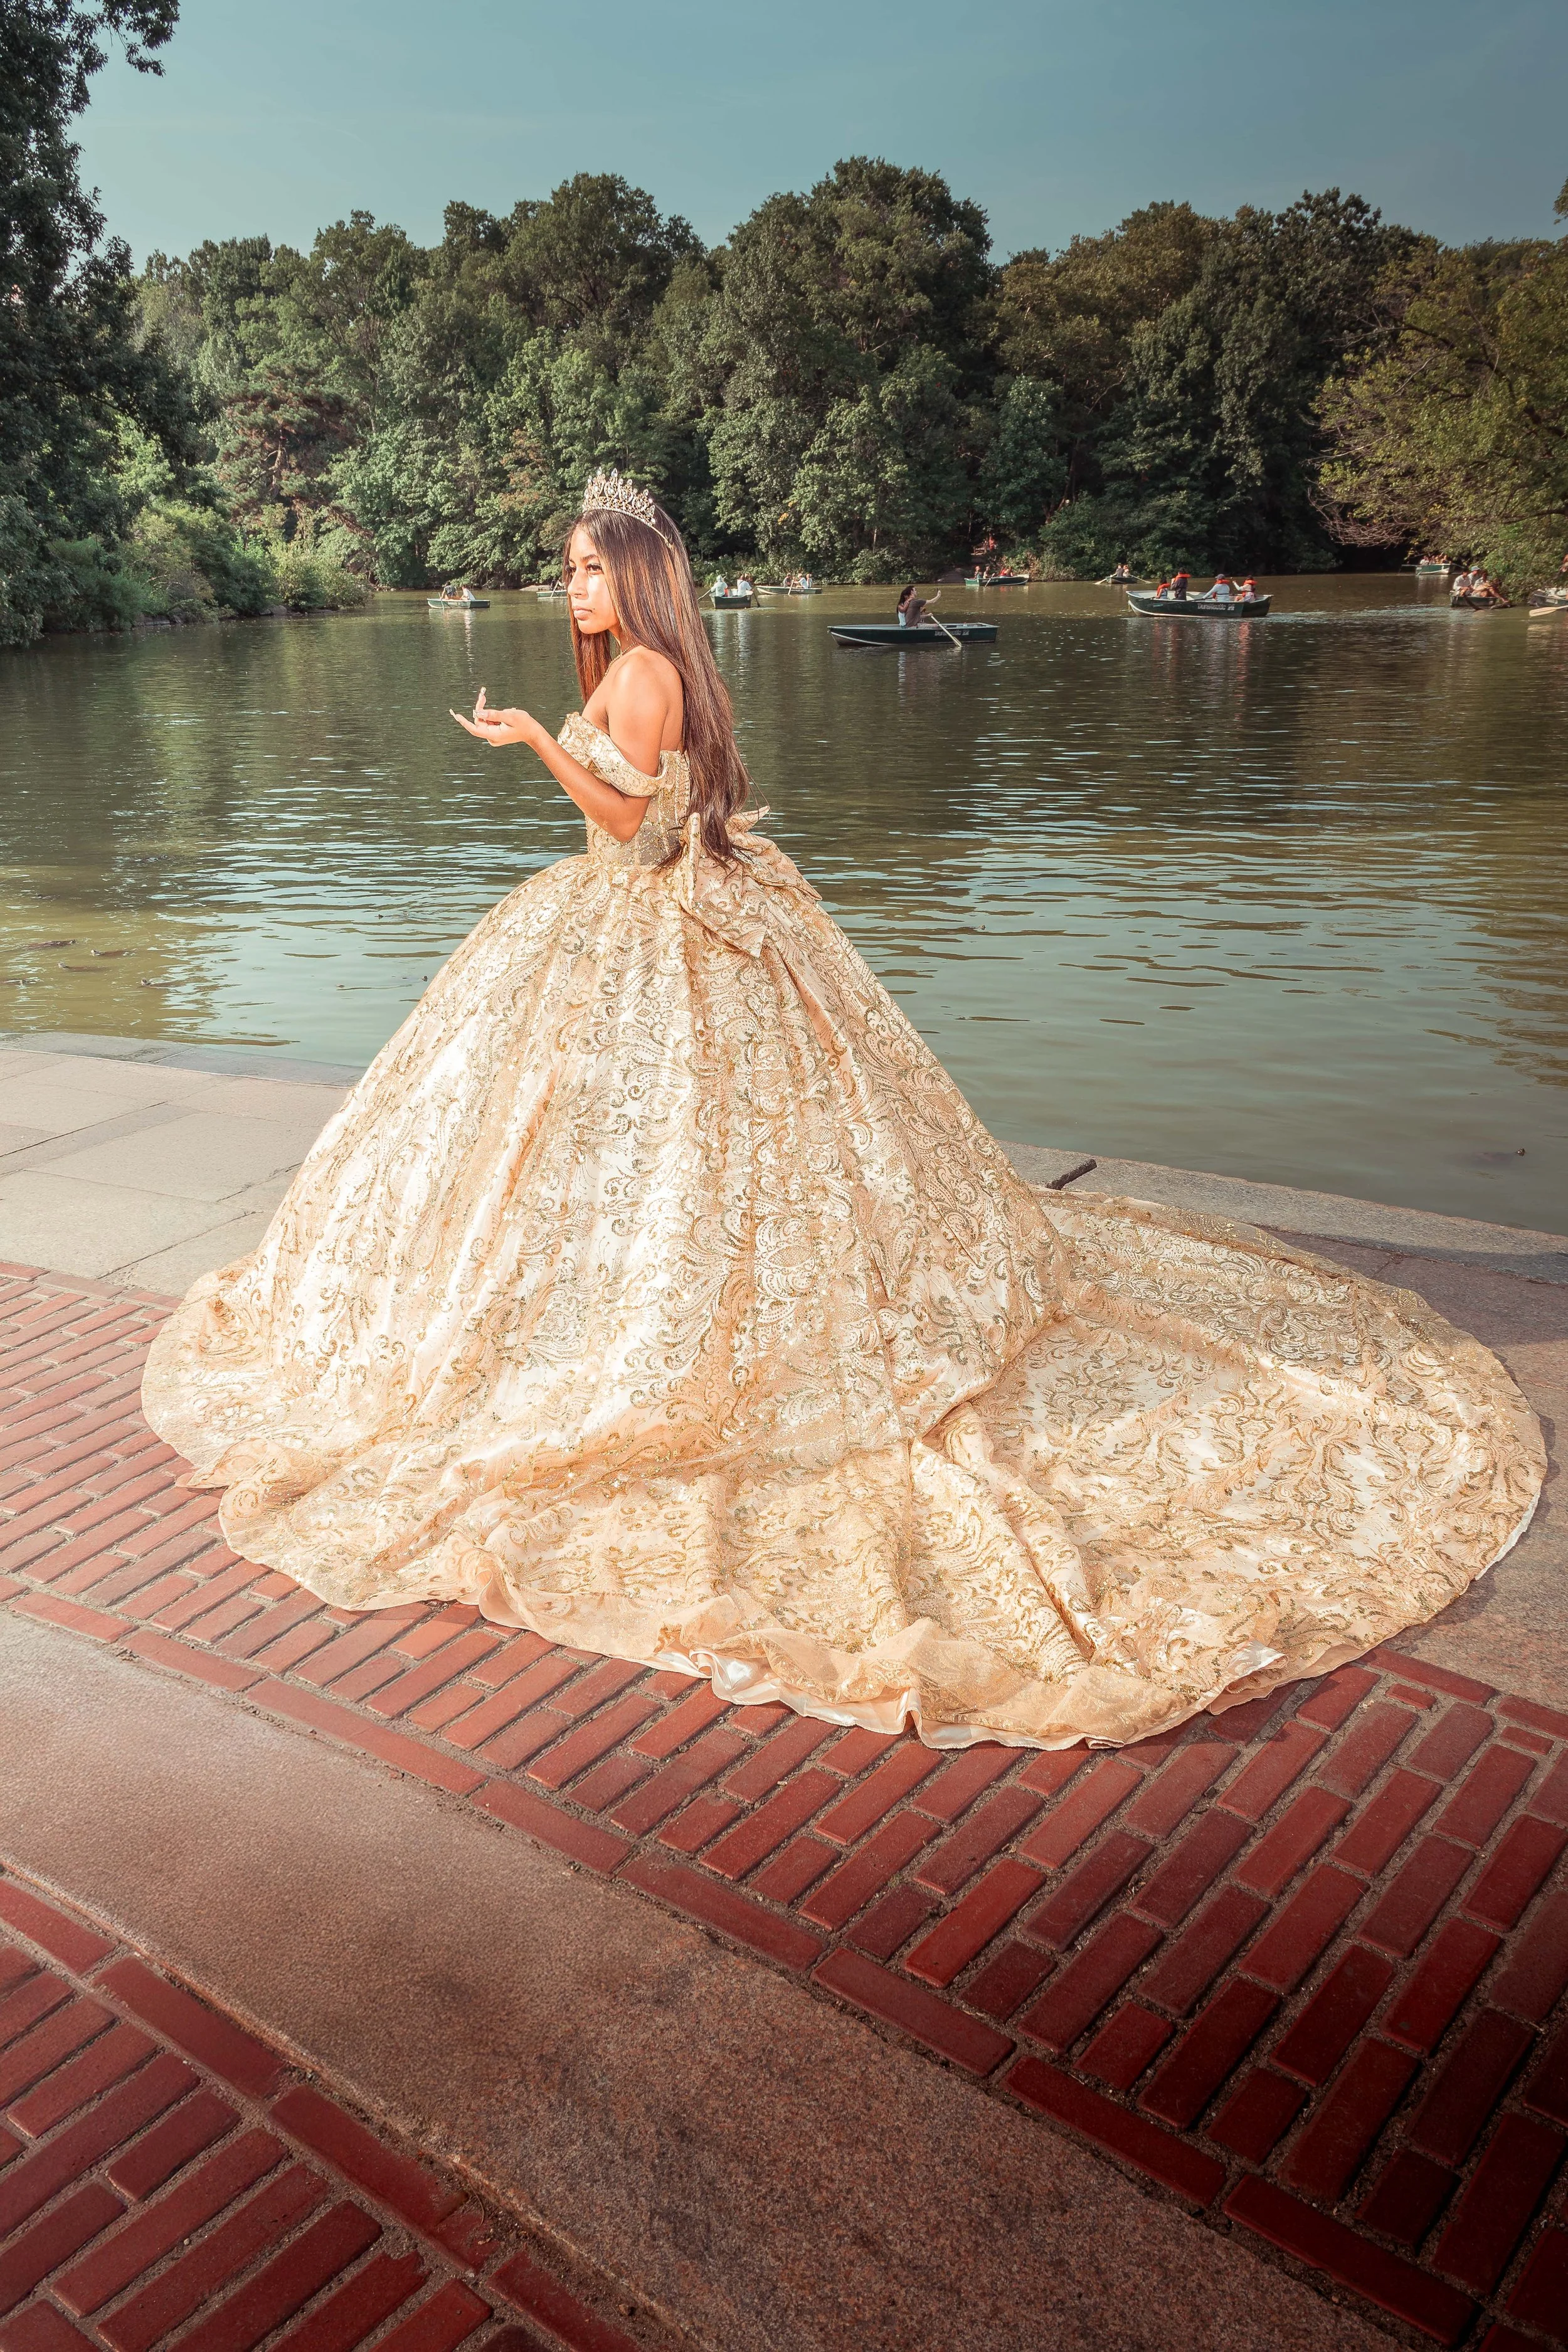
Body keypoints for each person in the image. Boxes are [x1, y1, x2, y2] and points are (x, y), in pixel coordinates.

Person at [141, 469, 1543, 1752]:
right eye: (564, 569)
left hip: (643, 920)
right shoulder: (654, 667)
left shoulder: (636, 676)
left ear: (635, 581)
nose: (568, 587)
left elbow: (622, 826)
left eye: (585, 569)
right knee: (661, 1166)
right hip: (660, 918)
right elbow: (661, 811)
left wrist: (525, 739)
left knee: (650, 1163)